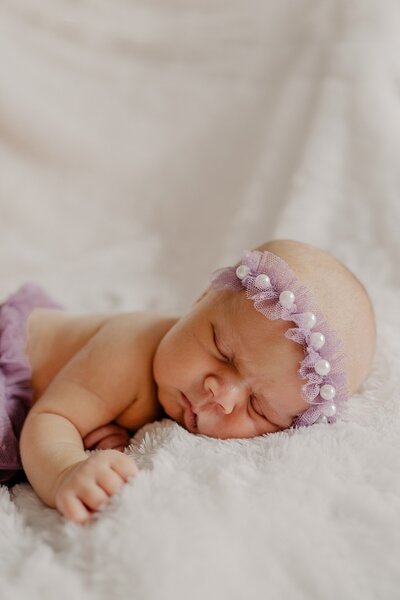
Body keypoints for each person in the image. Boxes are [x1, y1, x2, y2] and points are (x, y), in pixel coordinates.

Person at [0, 239, 376, 524]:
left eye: (257, 407)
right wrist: (66, 469)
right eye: (222, 352)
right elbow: (50, 420)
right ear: (199, 301)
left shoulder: (175, 382)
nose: (222, 395)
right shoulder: (127, 352)